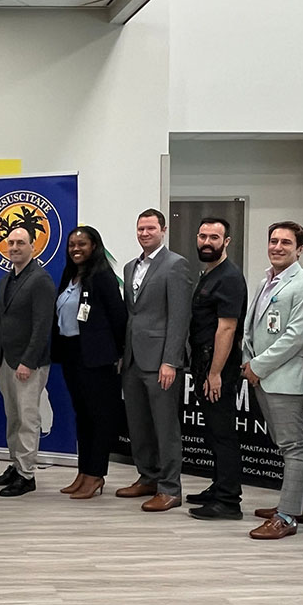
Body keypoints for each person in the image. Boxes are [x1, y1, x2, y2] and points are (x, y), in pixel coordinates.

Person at [243, 221, 303, 540]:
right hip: (261, 376)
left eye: (285, 243)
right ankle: (301, 505)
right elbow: (255, 328)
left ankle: (287, 516)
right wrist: (248, 360)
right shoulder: (267, 279)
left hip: (283, 378)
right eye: (273, 240)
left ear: (300, 249)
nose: (277, 247)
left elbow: (295, 336)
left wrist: (258, 366)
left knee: (293, 447)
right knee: (284, 443)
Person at [116, 208, 192, 511]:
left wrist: (170, 361)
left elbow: (179, 317)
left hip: (160, 360)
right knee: (138, 424)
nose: (144, 233)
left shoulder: (176, 265)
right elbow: (132, 314)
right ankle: (147, 476)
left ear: (163, 230)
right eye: (140, 229)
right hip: (133, 358)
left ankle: (170, 488)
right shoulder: (129, 267)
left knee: (165, 427)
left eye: (150, 228)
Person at [52, 226, 126, 500]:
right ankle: (83, 472)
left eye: (82, 244)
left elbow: (119, 318)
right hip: (73, 355)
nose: (76, 249)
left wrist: (119, 354)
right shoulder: (70, 276)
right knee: (82, 417)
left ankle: (96, 475)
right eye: (72, 244)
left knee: (99, 419)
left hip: (98, 360)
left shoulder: (102, 277)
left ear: (94, 246)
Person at [185, 218, 248, 521]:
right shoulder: (210, 274)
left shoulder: (229, 277)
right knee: (213, 431)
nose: (207, 242)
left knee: (222, 434)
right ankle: (219, 485)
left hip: (217, 367)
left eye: (214, 237)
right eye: (203, 236)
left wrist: (214, 374)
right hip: (204, 363)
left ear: (227, 241)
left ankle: (228, 500)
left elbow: (227, 328)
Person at [0, 227, 55, 497]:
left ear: (33, 247)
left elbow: (42, 326)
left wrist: (28, 361)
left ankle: (27, 475)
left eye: (21, 243)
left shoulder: (41, 280)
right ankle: (16, 465)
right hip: (7, 360)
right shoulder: (6, 280)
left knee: (27, 419)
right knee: (13, 418)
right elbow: (2, 323)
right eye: (11, 242)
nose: (14, 247)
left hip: (29, 363)